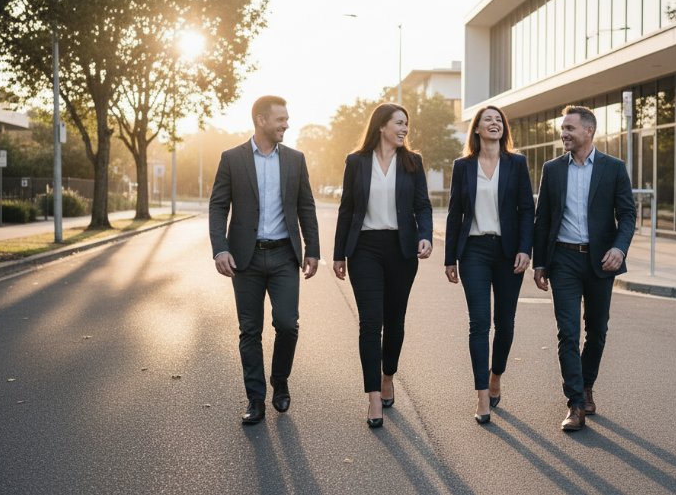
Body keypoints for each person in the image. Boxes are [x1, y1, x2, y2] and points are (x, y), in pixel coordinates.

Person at [209, 95, 320, 425]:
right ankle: (255, 398)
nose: (286, 124)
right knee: (250, 330)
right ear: (261, 120)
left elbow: (306, 207)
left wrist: (312, 249)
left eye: (286, 119)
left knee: (287, 324)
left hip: (286, 255)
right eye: (281, 119)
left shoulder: (295, 160)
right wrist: (220, 248)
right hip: (246, 258)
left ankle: (280, 381)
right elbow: (218, 206)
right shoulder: (232, 158)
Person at [532, 105, 636, 432]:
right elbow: (543, 219)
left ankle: (587, 384)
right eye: (562, 128)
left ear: (588, 131)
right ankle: (575, 403)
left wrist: (619, 248)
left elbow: (628, 215)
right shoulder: (552, 169)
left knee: (598, 330)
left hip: (600, 260)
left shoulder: (614, 168)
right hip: (563, 258)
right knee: (568, 331)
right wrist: (540, 263)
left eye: (569, 128)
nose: (564, 133)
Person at [333, 102, 432, 428]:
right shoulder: (357, 161)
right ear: (381, 126)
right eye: (399, 123)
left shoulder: (412, 162)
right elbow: (347, 209)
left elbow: (423, 206)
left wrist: (426, 236)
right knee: (370, 322)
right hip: (365, 249)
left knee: (395, 321)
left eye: (407, 124)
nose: (404, 129)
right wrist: (338, 254)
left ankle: (388, 373)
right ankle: (374, 395)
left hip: (401, 249)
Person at [444, 105, 533, 425]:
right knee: (479, 322)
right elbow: (455, 213)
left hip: (509, 253)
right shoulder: (463, 166)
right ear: (477, 130)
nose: (494, 124)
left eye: (498, 120)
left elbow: (527, 210)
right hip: (474, 252)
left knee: (505, 324)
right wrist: (449, 257)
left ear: (503, 128)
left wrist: (526, 248)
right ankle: (482, 394)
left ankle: (497, 375)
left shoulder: (517, 163)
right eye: (487, 121)